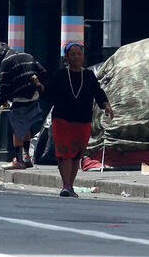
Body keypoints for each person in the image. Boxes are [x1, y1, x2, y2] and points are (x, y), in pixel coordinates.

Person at [43, 42, 113, 197]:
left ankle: (70, 185)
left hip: (83, 120)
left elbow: (98, 92)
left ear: (83, 56)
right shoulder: (60, 75)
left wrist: (106, 105)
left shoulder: (88, 75)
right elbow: (46, 91)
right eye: (72, 54)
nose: (76, 57)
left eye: (79, 54)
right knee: (64, 152)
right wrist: (38, 86)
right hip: (62, 119)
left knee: (76, 154)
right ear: (67, 57)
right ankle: (66, 185)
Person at [0, 42, 46, 169]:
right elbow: (43, 71)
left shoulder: (6, 61)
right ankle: (26, 156)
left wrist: (2, 102)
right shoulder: (27, 55)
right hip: (33, 95)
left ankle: (18, 159)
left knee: (16, 128)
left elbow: (4, 86)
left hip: (19, 98)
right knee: (26, 125)